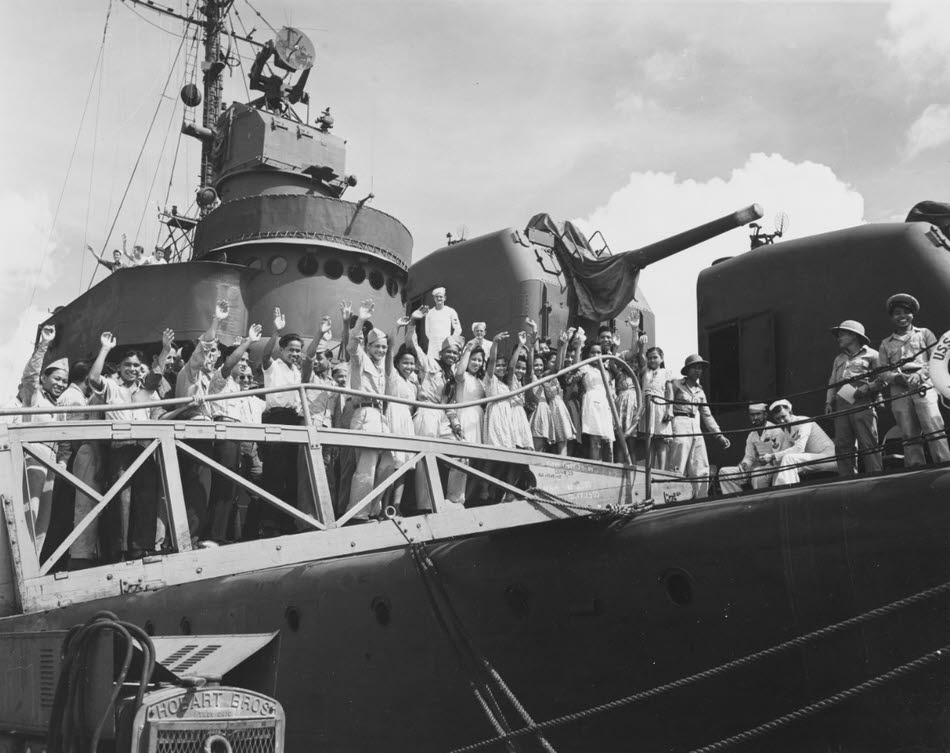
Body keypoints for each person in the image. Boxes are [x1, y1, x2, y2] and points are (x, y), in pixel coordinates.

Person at [874, 294, 950, 467]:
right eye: (897, 313)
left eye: (906, 312)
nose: (902, 316)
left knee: (933, 427)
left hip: (923, 386)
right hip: (899, 389)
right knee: (908, 432)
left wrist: (920, 375)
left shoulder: (924, 334)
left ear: (913, 314)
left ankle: (944, 465)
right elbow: (883, 370)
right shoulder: (886, 344)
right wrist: (896, 378)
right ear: (892, 317)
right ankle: (915, 467)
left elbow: (936, 359)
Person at [248, 307, 304, 537]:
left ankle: (287, 521)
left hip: (293, 419)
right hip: (275, 416)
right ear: (282, 350)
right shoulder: (273, 366)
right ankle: (269, 523)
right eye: (291, 349)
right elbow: (265, 355)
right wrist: (275, 332)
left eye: (298, 350)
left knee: (290, 474)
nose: (295, 353)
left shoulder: (297, 372)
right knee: (274, 472)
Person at [17, 324, 68, 554]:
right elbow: (29, 376)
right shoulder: (35, 397)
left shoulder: (61, 408)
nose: (60, 384)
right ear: (45, 379)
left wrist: (63, 462)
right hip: (34, 455)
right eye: (56, 379)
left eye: (63, 381)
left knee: (43, 522)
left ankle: (34, 561)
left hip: (52, 461)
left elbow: (65, 441)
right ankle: (24, 562)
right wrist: (43, 345)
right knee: (31, 510)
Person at [346, 299, 395, 522]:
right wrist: (362, 319)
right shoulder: (360, 358)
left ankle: (373, 508)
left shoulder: (381, 366)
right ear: (368, 346)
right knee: (367, 466)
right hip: (364, 414)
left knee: (388, 465)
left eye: (383, 347)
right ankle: (358, 513)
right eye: (377, 346)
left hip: (380, 417)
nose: (381, 350)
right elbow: (351, 345)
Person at [668, 354, 730, 498]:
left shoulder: (700, 391)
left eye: (700, 368)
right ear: (687, 370)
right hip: (679, 423)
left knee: (701, 464)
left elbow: (707, 415)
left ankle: (701, 498)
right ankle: (673, 498)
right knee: (678, 463)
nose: (698, 371)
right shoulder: (675, 384)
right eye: (694, 367)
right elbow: (668, 406)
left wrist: (719, 435)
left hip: (695, 426)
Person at [826, 320, 882, 476]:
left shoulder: (872, 355)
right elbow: (832, 381)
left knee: (868, 441)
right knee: (843, 444)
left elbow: (883, 378)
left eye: (842, 334)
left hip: (862, 401)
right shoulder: (838, 359)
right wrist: (829, 401)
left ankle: (876, 476)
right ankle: (847, 479)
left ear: (854, 335)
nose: (839, 338)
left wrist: (867, 388)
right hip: (841, 401)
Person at [761, 399, 836, 486]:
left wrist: (772, 456)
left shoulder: (803, 421)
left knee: (789, 458)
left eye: (783, 416)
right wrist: (770, 460)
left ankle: (786, 491)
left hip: (829, 458)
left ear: (790, 412)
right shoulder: (786, 431)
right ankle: (779, 491)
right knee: (781, 463)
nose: (781, 421)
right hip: (814, 460)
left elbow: (798, 449)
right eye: (778, 419)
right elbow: (785, 450)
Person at [717, 403, 785, 494]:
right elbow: (749, 456)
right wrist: (744, 464)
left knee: (757, 473)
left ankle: (759, 502)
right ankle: (738, 501)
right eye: (752, 415)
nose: (755, 418)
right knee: (724, 472)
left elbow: (776, 458)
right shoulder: (752, 435)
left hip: (772, 466)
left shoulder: (775, 430)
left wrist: (754, 467)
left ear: (765, 415)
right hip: (756, 466)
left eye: (758, 414)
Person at [570, 333, 615, 462]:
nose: (596, 356)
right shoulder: (586, 367)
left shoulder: (606, 370)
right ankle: (596, 466)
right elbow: (575, 367)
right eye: (593, 353)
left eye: (599, 353)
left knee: (608, 443)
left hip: (605, 403)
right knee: (595, 442)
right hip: (592, 402)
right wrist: (579, 345)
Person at [639, 345, 675, 471]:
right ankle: (650, 471)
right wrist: (640, 346)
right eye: (650, 358)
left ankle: (661, 472)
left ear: (661, 358)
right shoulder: (645, 371)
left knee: (661, 441)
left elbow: (669, 391)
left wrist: (669, 409)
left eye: (655, 357)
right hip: (647, 406)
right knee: (650, 441)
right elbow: (640, 357)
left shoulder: (666, 372)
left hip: (660, 406)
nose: (652, 360)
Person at [424, 286, 462, 360]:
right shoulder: (429, 313)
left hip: (446, 345)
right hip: (433, 346)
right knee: (432, 366)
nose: (439, 299)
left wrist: (450, 342)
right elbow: (427, 331)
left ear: (445, 298)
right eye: (437, 297)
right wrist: (434, 340)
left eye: (441, 297)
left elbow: (458, 329)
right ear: (434, 298)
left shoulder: (451, 311)